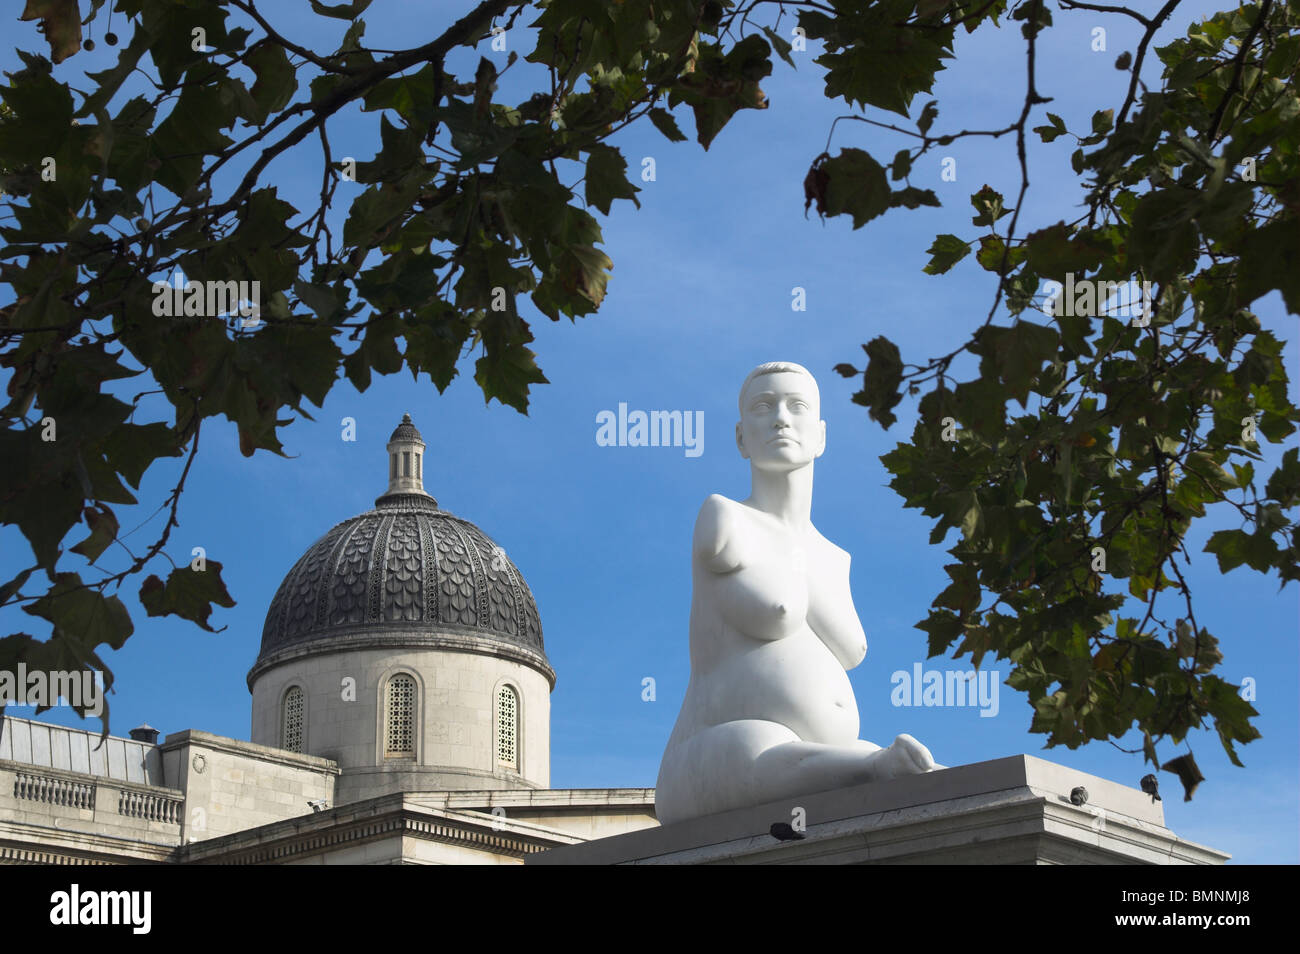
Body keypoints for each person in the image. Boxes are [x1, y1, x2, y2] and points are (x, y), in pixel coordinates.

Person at [655, 361, 937, 826]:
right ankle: (872, 768)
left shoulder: (834, 557)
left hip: (820, 760)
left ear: (821, 435)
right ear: (742, 437)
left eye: (796, 406)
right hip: (712, 759)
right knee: (759, 745)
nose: (781, 418)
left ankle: (876, 767)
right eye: (763, 407)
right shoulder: (724, 518)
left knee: (888, 762)